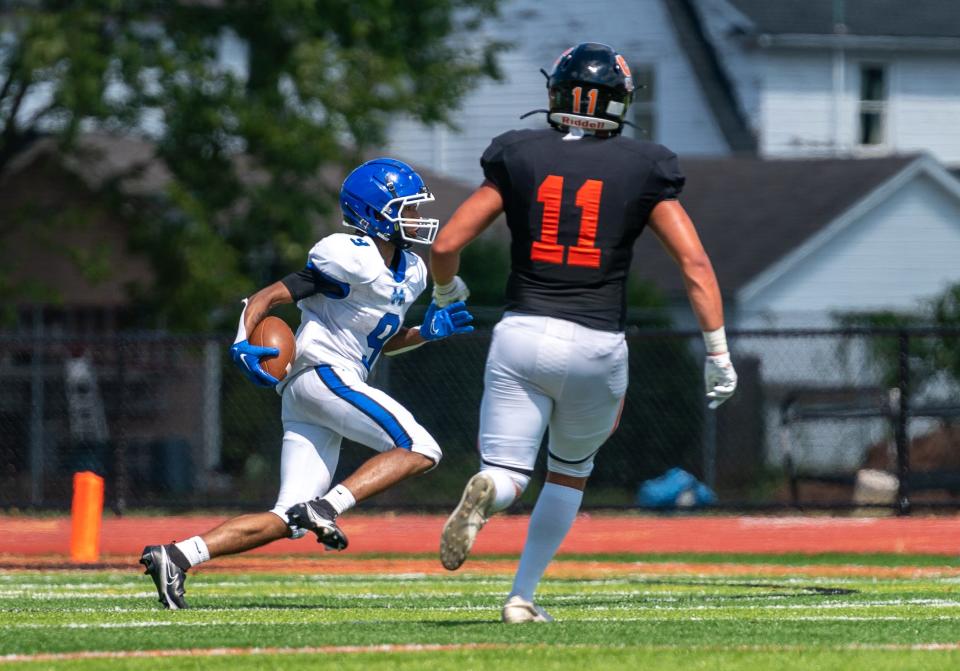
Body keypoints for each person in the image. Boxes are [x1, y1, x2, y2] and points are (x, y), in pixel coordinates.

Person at [430, 42, 737, 623]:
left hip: (521, 333)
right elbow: (695, 266)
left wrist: (447, 292)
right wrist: (717, 352)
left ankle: (488, 494)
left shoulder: (518, 153)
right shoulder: (644, 165)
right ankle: (521, 598)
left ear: (556, 94)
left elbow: (446, 244)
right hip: (597, 342)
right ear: (619, 102)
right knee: (568, 472)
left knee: (509, 472)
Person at [140, 158, 474, 609]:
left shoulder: (412, 272)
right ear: (375, 214)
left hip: (318, 388)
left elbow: (380, 341)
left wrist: (424, 335)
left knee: (288, 518)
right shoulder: (348, 256)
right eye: (406, 209)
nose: (416, 218)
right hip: (322, 374)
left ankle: (177, 556)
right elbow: (269, 296)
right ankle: (328, 507)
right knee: (421, 447)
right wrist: (242, 339)